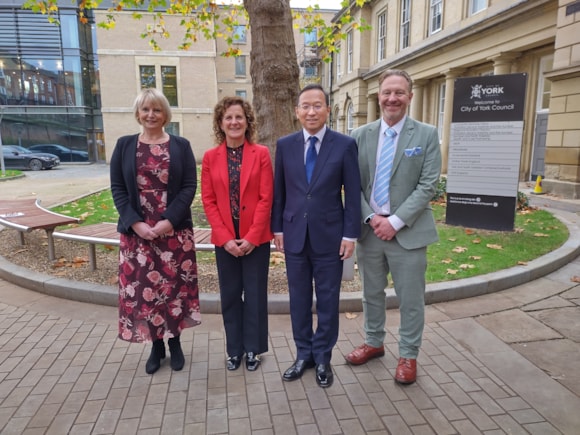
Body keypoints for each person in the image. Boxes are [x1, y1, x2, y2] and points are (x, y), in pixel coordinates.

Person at [345, 69, 442, 385]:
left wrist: (396, 222)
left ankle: (408, 355)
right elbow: (352, 185)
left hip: (408, 233)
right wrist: (372, 219)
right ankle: (374, 343)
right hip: (369, 232)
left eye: (399, 92)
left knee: (410, 298)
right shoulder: (360, 136)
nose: (392, 98)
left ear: (409, 97)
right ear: (379, 96)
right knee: (371, 293)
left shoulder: (426, 135)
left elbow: (428, 185)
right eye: (387, 92)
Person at [271, 84, 361, 388]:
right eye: (305, 106)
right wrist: (278, 229)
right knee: (298, 301)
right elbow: (279, 191)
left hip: (330, 237)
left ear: (327, 110)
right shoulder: (285, 145)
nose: (311, 111)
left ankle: (323, 357)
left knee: (327, 301)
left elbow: (352, 192)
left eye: (317, 105)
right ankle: (303, 354)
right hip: (295, 236)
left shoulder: (344, 145)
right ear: (297, 111)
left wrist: (351, 235)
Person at [110, 88, 201, 375]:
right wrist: (136, 222)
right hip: (137, 234)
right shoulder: (124, 145)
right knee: (146, 292)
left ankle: (175, 343)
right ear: (138, 113)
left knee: (173, 289)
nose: (151, 115)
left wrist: (168, 221)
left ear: (165, 114)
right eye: (146, 109)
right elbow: (118, 188)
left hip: (173, 233)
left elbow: (189, 186)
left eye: (157, 110)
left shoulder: (181, 145)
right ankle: (156, 345)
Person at [201, 96, 273, 372]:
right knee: (230, 295)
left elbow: (267, 198)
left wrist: (253, 237)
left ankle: (253, 349)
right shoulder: (210, 157)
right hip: (225, 240)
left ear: (247, 121)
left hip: (256, 239)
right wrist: (226, 238)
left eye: (239, 117)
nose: (234, 122)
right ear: (221, 122)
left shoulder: (261, 154)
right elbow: (208, 200)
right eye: (228, 117)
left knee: (255, 295)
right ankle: (234, 350)